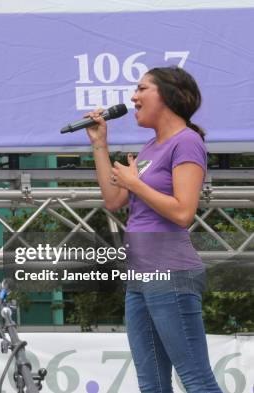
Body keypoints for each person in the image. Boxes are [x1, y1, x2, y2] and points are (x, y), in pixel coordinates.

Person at [85, 66, 222, 392]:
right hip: (140, 277)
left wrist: (135, 182)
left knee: (196, 379)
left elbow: (183, 212)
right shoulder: (149, 148)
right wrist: (99, 144)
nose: (133, 97)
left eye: (142, 89)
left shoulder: (187, 141)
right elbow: (114, 199)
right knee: (152, 384)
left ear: (169, 94)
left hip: (171, 272)